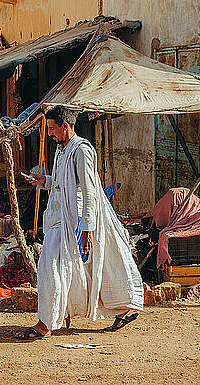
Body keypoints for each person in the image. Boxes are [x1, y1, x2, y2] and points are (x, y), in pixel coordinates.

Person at [16, 105, 143, 340]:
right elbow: (65, 182)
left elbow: (89, 190)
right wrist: (45, 180)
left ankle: (45, 324)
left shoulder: (82, 150)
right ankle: (115, 309)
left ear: (66, 126)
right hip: (58, 218)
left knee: (57, 268)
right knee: (66, 270)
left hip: (76, 220)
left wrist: (87, 228)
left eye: (53, 129)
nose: (50, 133)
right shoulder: (61, 150)